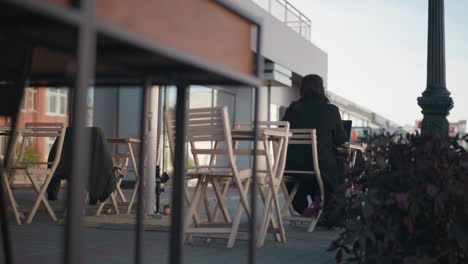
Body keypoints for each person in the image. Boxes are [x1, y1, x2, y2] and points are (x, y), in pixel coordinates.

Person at [282, 74, 348, 224]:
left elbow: (280, 133)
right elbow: (341, 140)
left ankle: (312, 208)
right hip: (322, 169)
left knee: (318, 168)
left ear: (302, 89)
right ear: (321, 89)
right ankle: (331, 213)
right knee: (340, 167)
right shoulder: (331, 110)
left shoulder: (292, 109)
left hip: (293, 168)